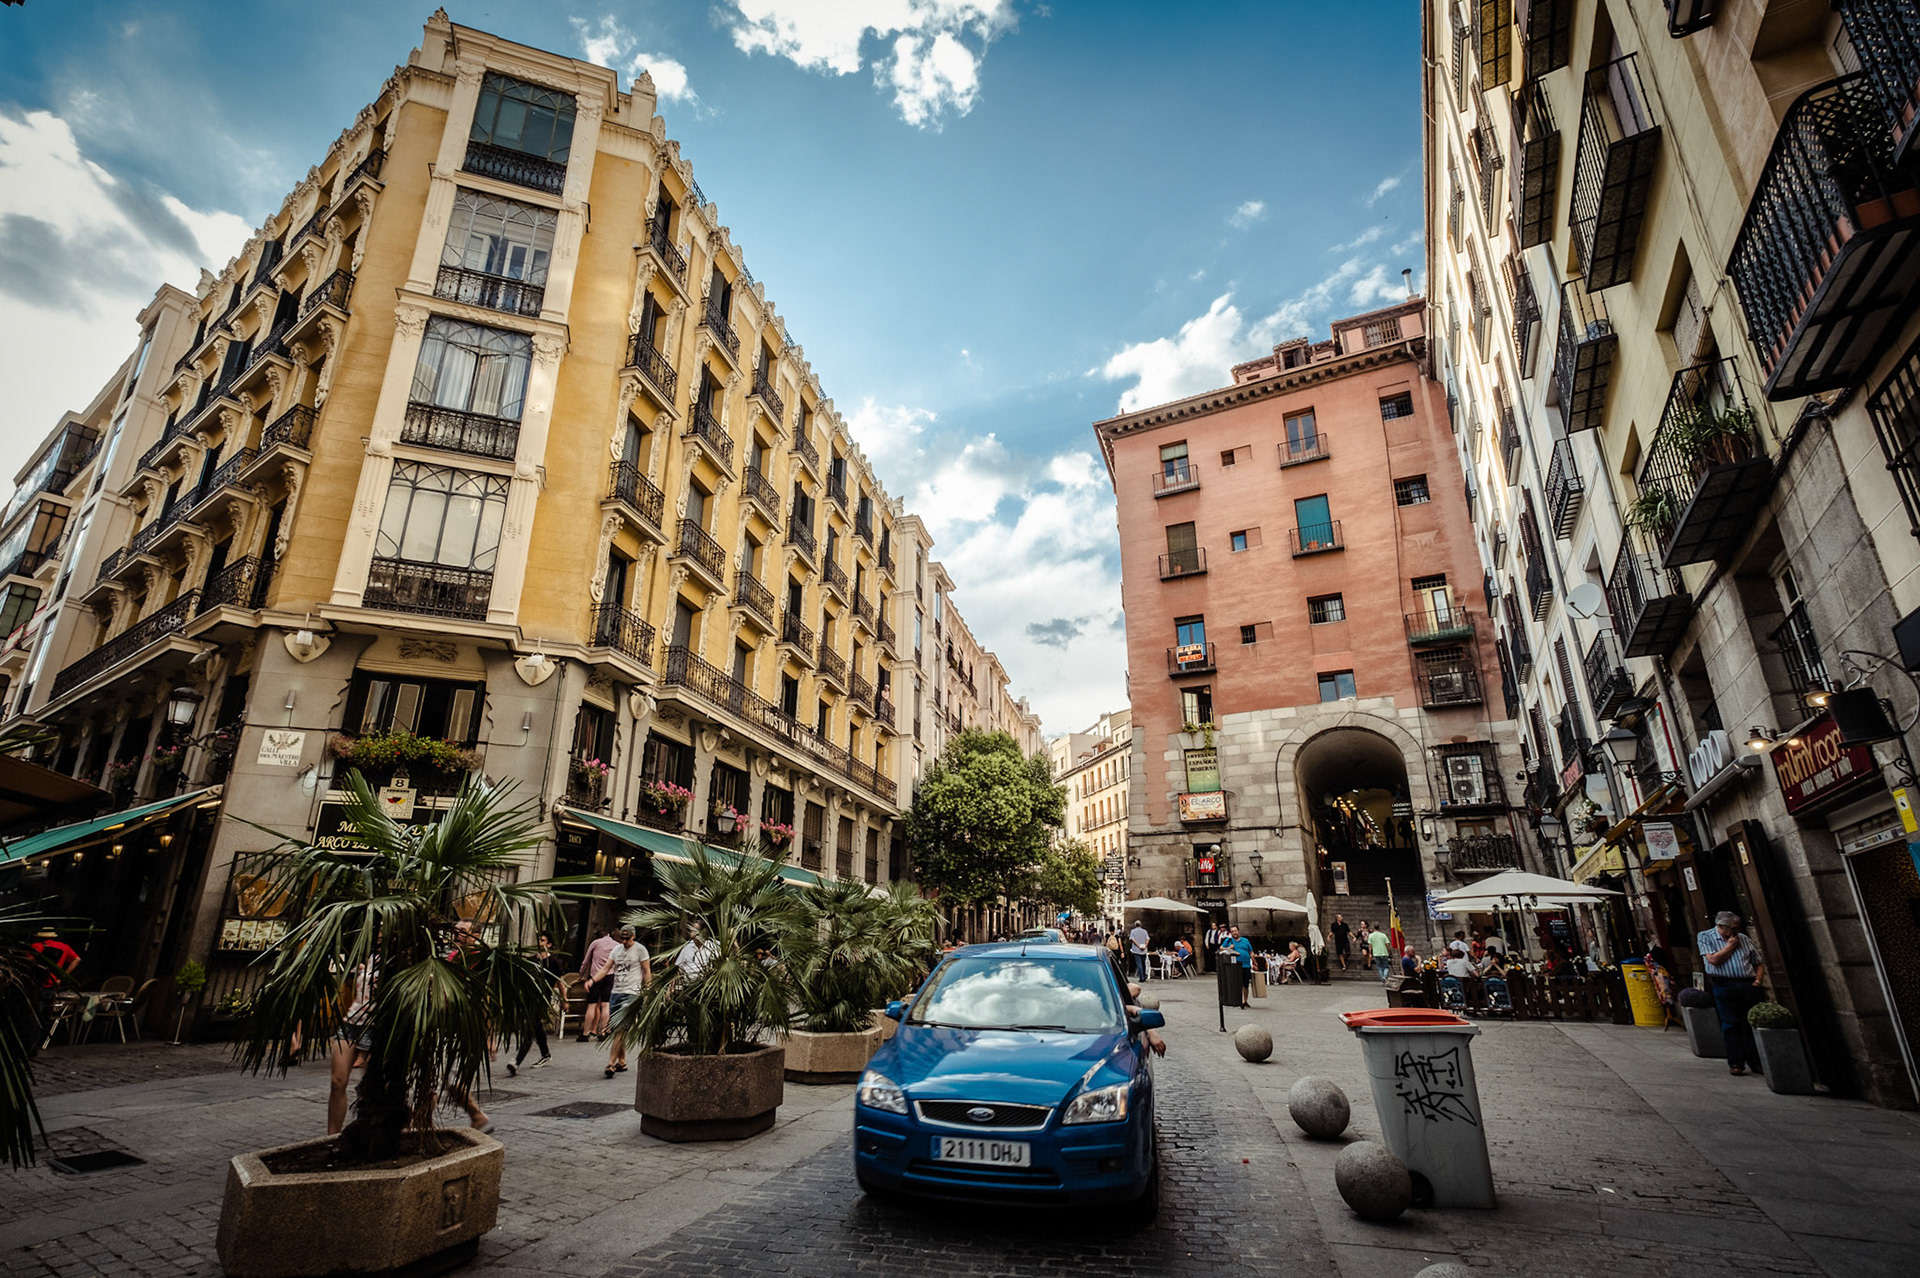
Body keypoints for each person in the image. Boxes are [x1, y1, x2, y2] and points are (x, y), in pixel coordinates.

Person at [1698, 911, 1767, 1076]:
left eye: (1738, 928)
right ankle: (1736, 1062)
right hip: (1723, 985)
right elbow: (1713, 960)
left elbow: (1758, 962)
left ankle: (1755, 1061)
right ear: (1722, 927)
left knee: (1750, 1023)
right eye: (1733, 928)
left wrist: (1757, 982)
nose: (1737, 931)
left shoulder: (1743, 938)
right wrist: (1730, 947)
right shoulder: (1706, 937)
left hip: (1747, 984)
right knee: (1730, 1024)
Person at [596, 926, 652, 1079]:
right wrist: (593, 980)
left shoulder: (640, 950)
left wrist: (647, 992)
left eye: (628, 938)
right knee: (617, 1030)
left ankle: (611, 1063)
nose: (625, 941)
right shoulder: (617, 950)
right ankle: (622, 1061)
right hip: (616, 992)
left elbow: (646, 971)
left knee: (621, 1028)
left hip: (631, 993)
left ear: (633, 936)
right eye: (622, 938)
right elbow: (606, 968)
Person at [327, 962, 375, 1136]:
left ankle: (370, 1135)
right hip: (351, 1024)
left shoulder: (397, 956)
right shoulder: (367, 955)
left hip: (376, 1026)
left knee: (372, 1088)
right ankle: (332, 1137)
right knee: (337, 1082)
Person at [506, 931, 562, 1076]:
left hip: (542, 999)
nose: (539, 943)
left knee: (530, 1029)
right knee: (537, 1027)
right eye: (538, 940)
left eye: (542, 940)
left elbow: (559, 981)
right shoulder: (531, 960)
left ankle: (516, 1061)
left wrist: (564, 1000)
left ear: (548, 944)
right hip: (529, 997)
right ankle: (546, 1054)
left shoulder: (554, 962)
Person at [578, 927, 616, 1043]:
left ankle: (585, 1033)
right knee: (605, 1005)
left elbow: (586, 960)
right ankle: (603, 1032)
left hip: (595, 977)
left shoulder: (595, 943)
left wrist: (581, 974)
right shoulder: (616, 945)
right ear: (608, 934)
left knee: (592, 1005)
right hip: (610, 976)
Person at [1226, 925, 1255, 1008]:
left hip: (1246, 965)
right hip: (1235, 965)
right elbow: (1221, 949)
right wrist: (1229, 948)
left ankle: (1245, 1000)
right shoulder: (1229, 941)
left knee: (1245, 984)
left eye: (1235, 931)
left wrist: (1254, 962)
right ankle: (1237, 1000)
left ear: (1238, 931)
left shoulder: (1245, 940)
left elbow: (1251, 952)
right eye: (1232, 931)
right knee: (1236, 984)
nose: (1234, 933)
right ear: (1231, 933)